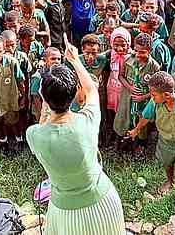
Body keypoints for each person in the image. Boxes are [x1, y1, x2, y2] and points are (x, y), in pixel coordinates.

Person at [26, 41, 126, 235]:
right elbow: (90, 90)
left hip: (66, 212)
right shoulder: (88, 120)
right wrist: (74, 59)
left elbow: (44, 122)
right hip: (104, 202)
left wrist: (46, 104)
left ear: (44, 97)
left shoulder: (34, 135)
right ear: (73, 95)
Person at [128, 71, 175, 194]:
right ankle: (170, 181)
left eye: (154, 95)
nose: (151, 98)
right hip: (165, 141)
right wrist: (136, 130)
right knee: (167, 162)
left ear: (167, 95)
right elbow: (146, 117)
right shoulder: (155, 103)